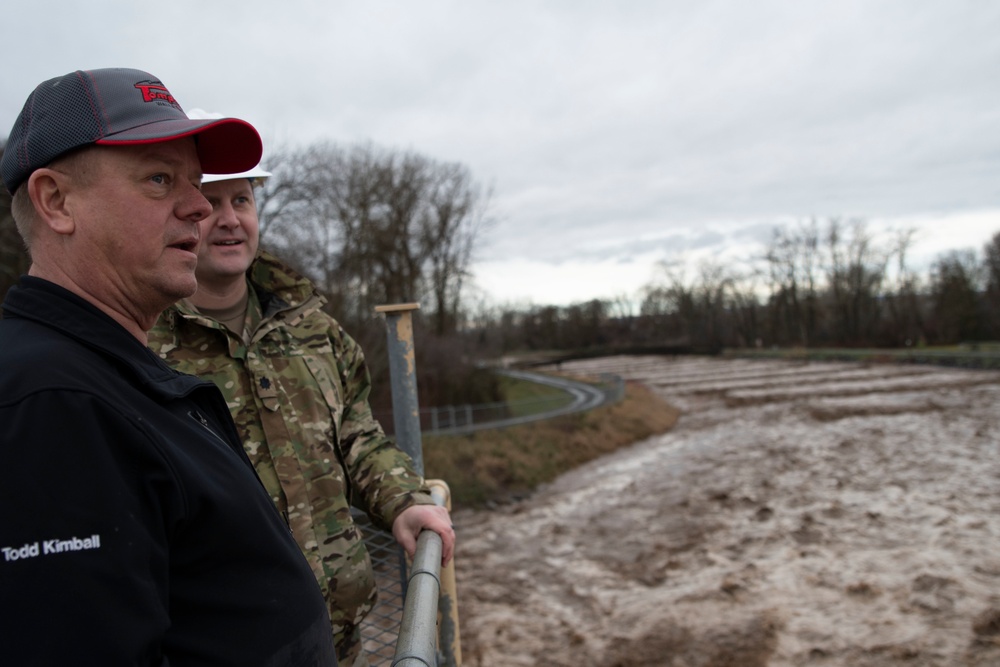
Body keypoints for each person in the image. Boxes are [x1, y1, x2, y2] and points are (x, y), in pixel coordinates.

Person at [0, 68, 337, 665]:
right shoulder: (52, 405)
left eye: (196, 181)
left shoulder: (112, 373)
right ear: (56, 202)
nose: (200, 207)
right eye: (160, 179)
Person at [147, 113, 456, 667]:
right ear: (183, 216)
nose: (228, 220)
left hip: (337, 634)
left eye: (241, 201)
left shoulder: (314, 330)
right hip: (224, 650)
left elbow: (359, 438)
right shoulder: (145, 346)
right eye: (210, 203)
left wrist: (404, 502)